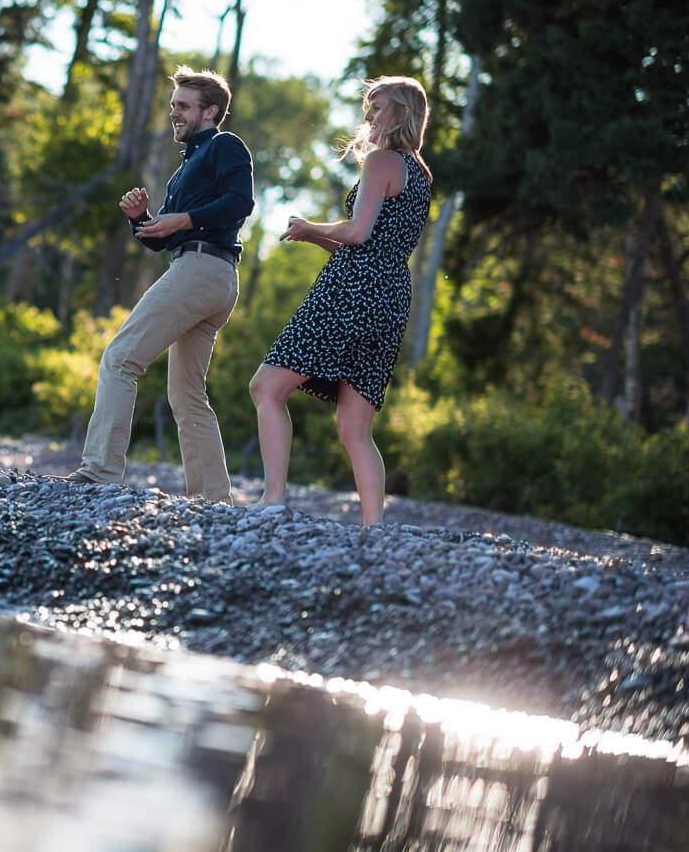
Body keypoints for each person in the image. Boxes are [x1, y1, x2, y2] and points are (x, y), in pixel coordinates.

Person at [249, 76, 433, 525]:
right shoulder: (421, 174)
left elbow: (357, 234)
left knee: (266, 388)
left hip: (350, 291)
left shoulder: (381, 161)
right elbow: (375, 244)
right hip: (390, 296)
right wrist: (315, 238)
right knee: (355, 429)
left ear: (403, 114)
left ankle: (273, 499)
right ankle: (374, 530)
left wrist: (312, 226)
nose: (368, 117)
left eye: (377, 107)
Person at [68, 67, 255, 501]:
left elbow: (241, 202)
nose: (175, 113)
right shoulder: (184, 170)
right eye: (173, 105)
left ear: (210, 111)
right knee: (187, 394)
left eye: (184, 106)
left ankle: (99, 471)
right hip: (208, 274)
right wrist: (141, 220)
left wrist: (185, 219)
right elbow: (162, 239)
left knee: (120, 358)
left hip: (203, 270)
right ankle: (213, 499)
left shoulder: (225, 145)